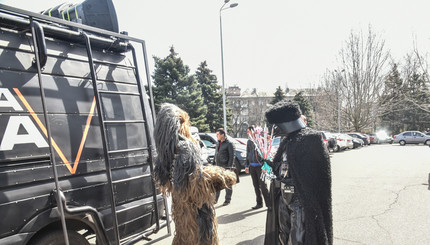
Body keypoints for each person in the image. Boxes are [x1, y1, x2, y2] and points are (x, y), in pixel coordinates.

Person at [153, 103, 237, 245]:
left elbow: (172, 183)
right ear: (179, 124)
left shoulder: (164, 154)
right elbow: (197, 182)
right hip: (197, 212)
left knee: (184, 238)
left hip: (181, 212)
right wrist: (223, 175)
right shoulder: (187, 146)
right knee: (201, 239)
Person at [264, 100, 332, 245]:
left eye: (277, 124)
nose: (275, 128)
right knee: (283, 235)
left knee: (297, 238)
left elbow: (319, 176)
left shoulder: (310, 138)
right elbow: (282, 166)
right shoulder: (287, 140)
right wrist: (270, 166)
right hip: (284, 196)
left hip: (300, 200)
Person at [246, 126, 270, 210]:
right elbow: (247, 153)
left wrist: (264, 165)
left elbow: (266, 153)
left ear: (253, 131)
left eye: (248, 131)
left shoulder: (261, 140)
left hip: (260, 166)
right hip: (252, 166)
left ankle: (269, 204)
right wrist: (247, 165)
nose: (247, 132)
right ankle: (259, 203)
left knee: (263, 186)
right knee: (256, 185)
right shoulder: (249, 141)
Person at [214, 128, 235, 206]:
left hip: (226, 167)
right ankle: (215, 199)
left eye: (218, 134)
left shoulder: (229, 144)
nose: (217, 136)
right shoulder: (218, 143)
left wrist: (229, 168)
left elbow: (232, 156)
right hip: (218, 166)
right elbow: (216, 153)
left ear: (223, 135)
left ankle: (227, 200)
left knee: (228, 184)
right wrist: (213, 164)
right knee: (217, 184)